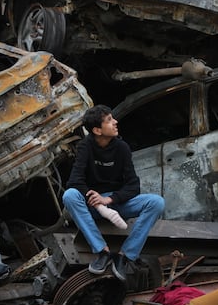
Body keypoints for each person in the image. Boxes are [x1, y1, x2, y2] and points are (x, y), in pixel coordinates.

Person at [63, 104, 165, 282]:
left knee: (156, 202)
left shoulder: (122, 148)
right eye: (109, 120)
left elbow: (133, 186)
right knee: (69, 195)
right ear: (97, 130)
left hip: (115, 203)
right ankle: (102, 252)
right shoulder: (85, 147)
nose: (115, 122)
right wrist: (94, 198)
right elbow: (74, 181)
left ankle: (124, 257)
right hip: (92, 205)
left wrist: (109, 199)